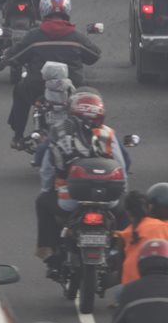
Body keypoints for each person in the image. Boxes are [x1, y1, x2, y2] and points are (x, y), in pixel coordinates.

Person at [36, 91, 125, 263]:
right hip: (108, 200)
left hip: (68, 201)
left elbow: (47, 169)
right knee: (125, 210)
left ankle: (49, 250)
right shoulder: (108, 135)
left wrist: (47, 190)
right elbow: (121, 166)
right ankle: (124, 251)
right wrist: (120, 192)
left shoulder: (59, 132)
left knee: (42, 202)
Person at [3, 0, 99, 143]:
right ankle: (93, 137)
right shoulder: (77, 36)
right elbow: (94, 56)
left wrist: (7, 58)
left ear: (43, 10)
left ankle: (18, 136)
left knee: (19, 91)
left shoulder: (33, 36)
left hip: (38, 86)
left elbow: (14, 57)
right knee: (93, 98)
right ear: (67, 10)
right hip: (73, 87)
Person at [116, 182, 168, 286]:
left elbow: (120, 273)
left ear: (128, 212)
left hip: (132, 291)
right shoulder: (167, 227)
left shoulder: (125, 234)